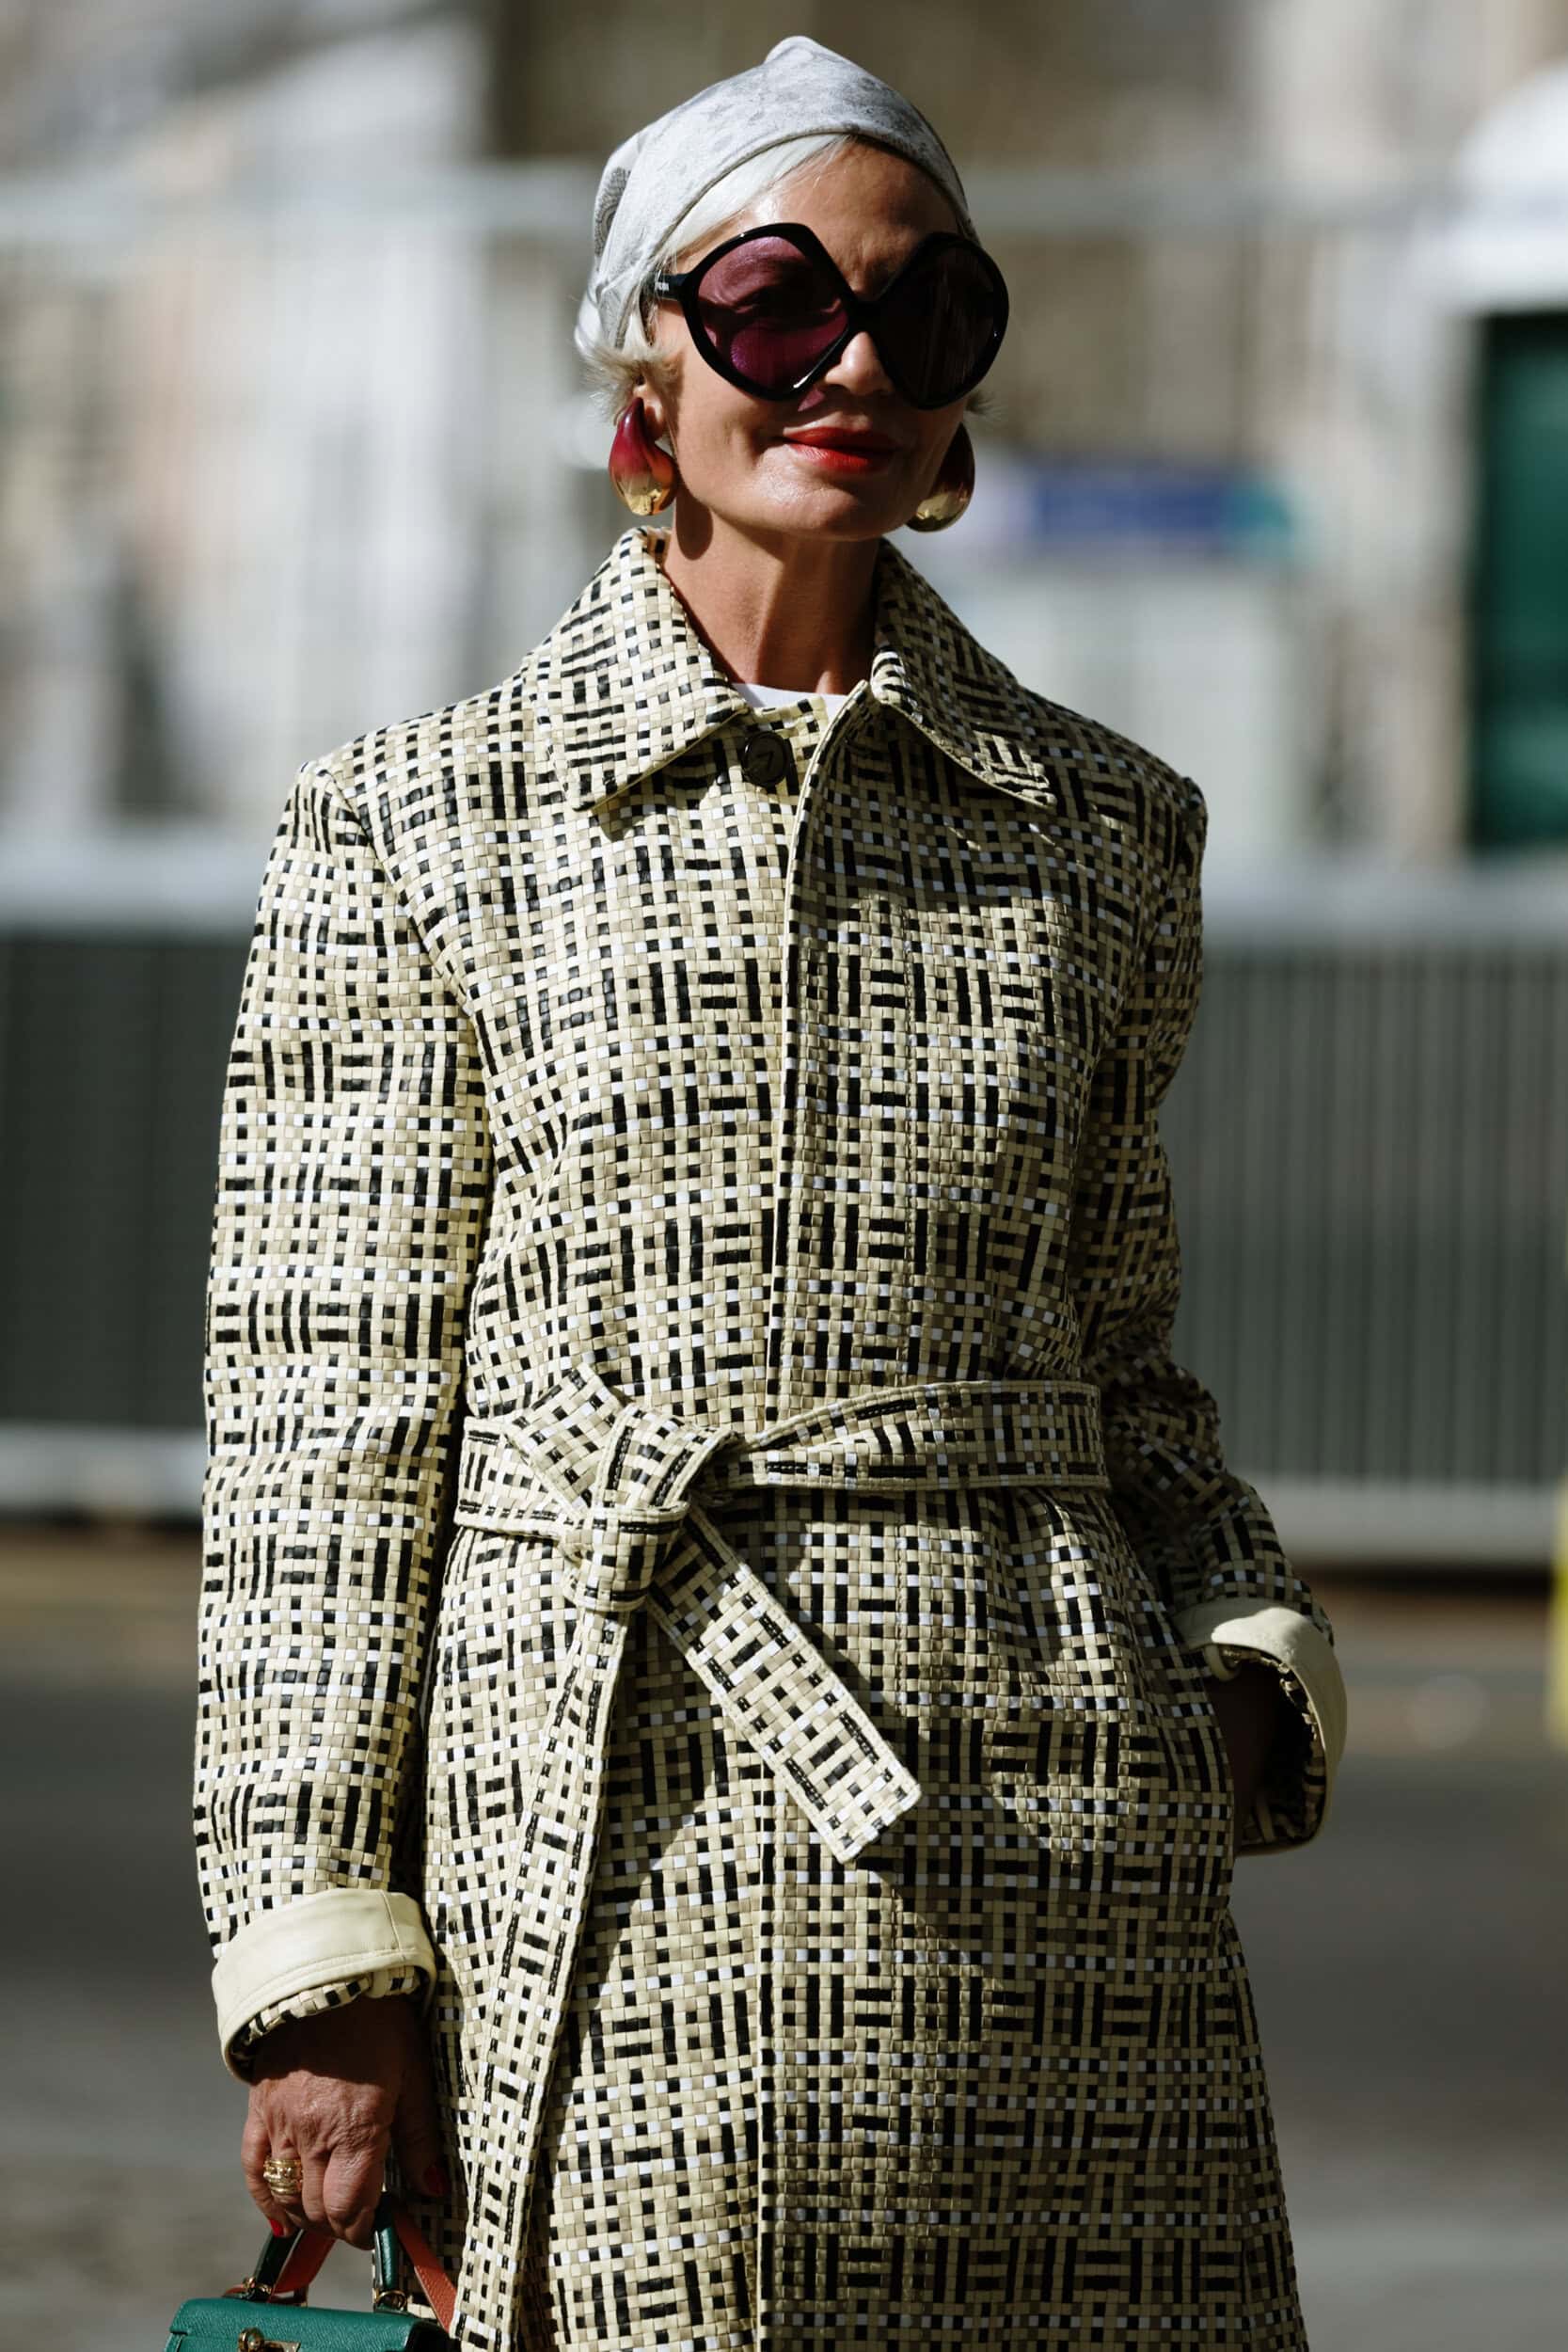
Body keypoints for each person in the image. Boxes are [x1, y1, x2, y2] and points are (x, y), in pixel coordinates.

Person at [194, 35, 1347, 2352]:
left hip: (1068, 1864)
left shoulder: (1109, 830)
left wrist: (1224, 1655)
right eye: (771, 300)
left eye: (924, 311)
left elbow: (1119, 1344)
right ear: (647, 353)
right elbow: (324, 1429)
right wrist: (319, 1944)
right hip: (609, 1838)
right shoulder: (418, 825)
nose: (850, 364)